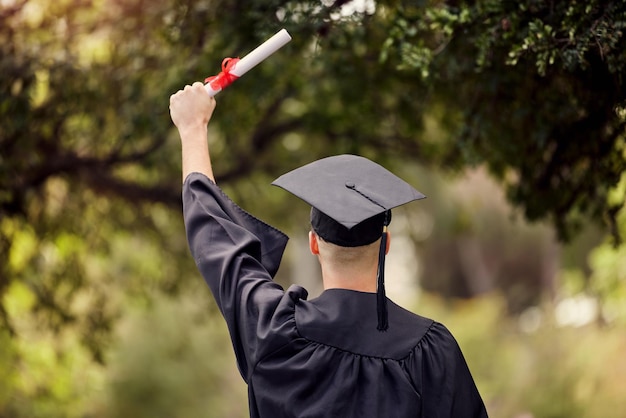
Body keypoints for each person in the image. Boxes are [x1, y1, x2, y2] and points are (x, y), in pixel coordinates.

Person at [169, 82, 488, 418]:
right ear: (386, 245)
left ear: (314, 244)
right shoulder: (433, 351)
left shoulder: (273, 331)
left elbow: (216, 237)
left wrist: (193, 129)